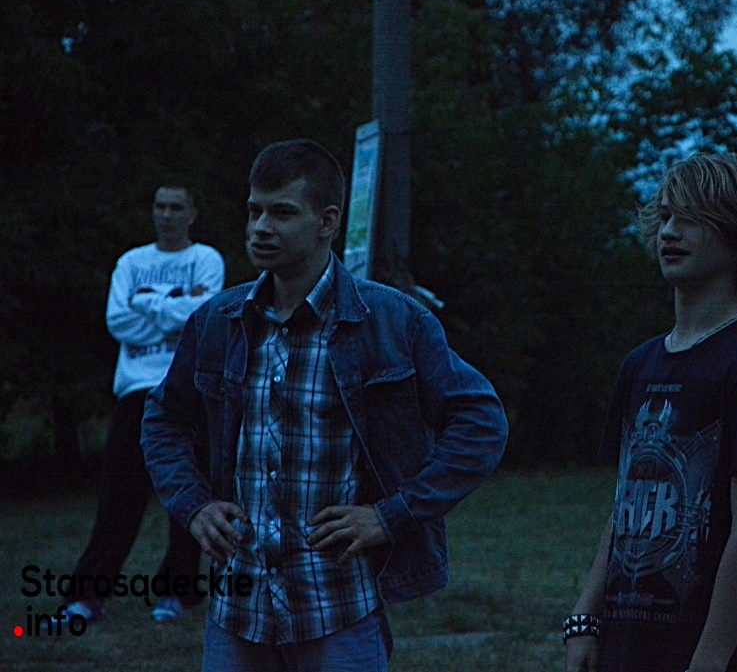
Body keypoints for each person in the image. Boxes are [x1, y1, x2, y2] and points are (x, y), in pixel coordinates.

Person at [141, 139, 508, 671]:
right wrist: (193, 504)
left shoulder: (391, 321)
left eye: (282, 213)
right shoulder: (219, 322)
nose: (261, 227)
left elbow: (482, 423)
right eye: (254, 211)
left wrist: (392, 515)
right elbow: (163, 419)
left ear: (328, 222)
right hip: (238, 612)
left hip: (339, 609)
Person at [564, 153, 737, 672]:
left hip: (713, 653)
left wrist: (710, 660)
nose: (670, 231)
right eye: (667, 215)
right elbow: (627, 507)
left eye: (692, 219)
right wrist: (585, 616)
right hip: (628, 647)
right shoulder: (640, 365)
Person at [63, 184, 225, 623]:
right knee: (120, 496)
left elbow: (203, 317)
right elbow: (118, 321)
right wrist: (174, 307)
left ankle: (178, 592)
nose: (167, 214)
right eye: (160, 206)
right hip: (136, 390)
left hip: (186, 389)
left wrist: (146, 304)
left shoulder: (206, 259)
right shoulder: (131, 262)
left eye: (176, 207)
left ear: (192, 213)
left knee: (188, 493)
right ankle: (87, 595)